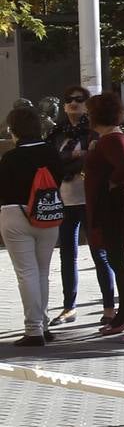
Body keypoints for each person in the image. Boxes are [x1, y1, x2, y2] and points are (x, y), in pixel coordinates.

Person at [47, 85, 115, 327]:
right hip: (65, 199)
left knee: (100, 253)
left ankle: (109, 308)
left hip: (90, 199)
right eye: (69, 100)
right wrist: (75, 160)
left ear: (88, 104)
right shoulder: (57, 133)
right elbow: (51, 163)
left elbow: (96, 160)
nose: (73, 103)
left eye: (80, 99)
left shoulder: (94, 132)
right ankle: (68, 307)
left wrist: (77, 160)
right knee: (67, 254)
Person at [0, 106, 63, 347]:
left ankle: (33, 329)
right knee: (43, 272)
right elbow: (59, 178)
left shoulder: (10, 158)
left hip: (15, 215)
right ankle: (43, 325)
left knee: (26, 273)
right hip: (48, 216)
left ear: (14, 131)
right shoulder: (50, 152)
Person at [83, 93, 124, 336]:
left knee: (117, 260)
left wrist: (113, 183)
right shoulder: (108, 138)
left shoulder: (112, 139)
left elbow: (122, 166)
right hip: (108, 206)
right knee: (115, 259)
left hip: (111, 208)